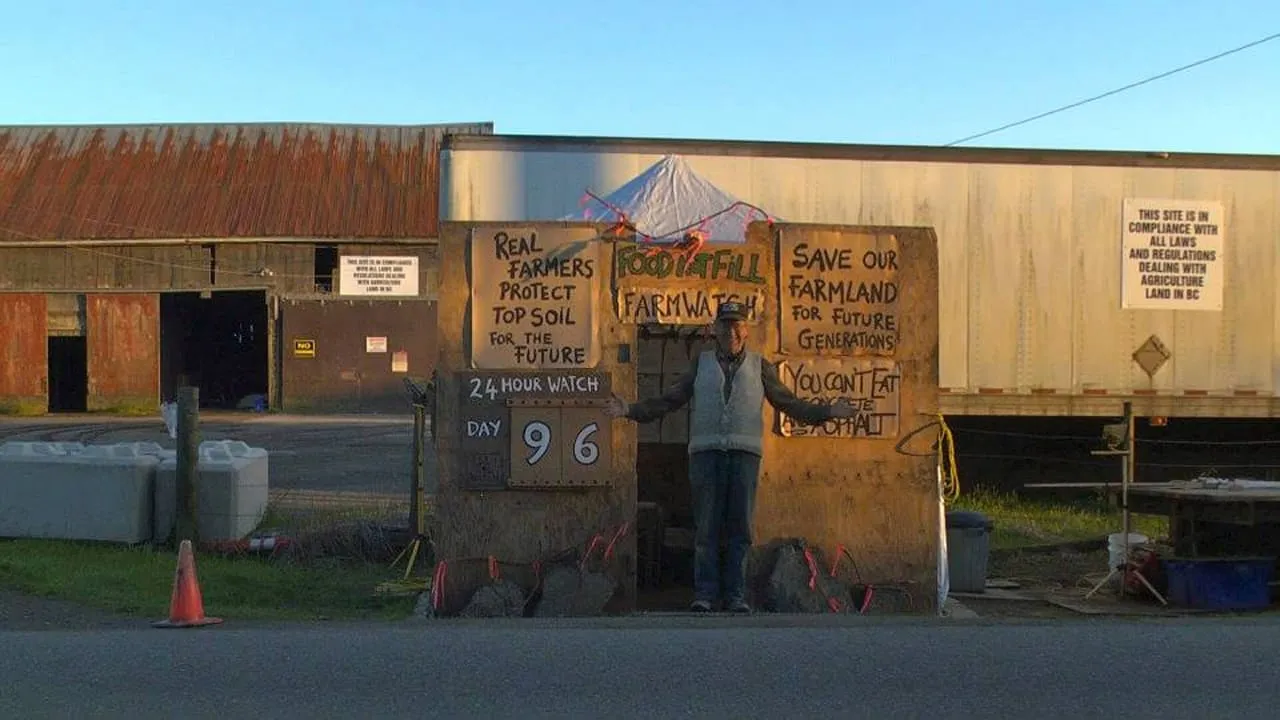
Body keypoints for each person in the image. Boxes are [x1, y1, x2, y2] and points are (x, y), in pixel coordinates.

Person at [606, 301, 855, 613]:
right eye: (725, 326)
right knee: (706, 528)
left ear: (746, 330)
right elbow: (669, 400)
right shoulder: (701, 364)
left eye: (737, 325)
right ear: (715, 331)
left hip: (744, 455)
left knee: (740, 530)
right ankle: (705, 595)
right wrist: (629, 410)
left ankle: (736, 595)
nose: (731, 332)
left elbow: (789, 404)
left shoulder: (760, 366)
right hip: (705, 455)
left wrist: (828, 412)